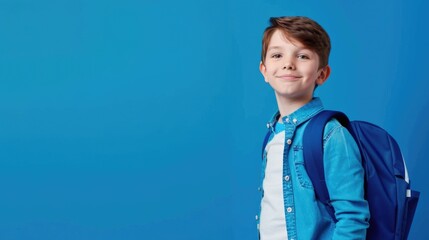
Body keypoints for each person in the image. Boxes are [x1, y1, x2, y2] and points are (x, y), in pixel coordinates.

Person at [257, 16, 370, 240]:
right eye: (277, 55)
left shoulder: (331, 134)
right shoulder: (273, 135)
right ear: (264, 70)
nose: (288, 63)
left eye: (303, 56)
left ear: (322, 74)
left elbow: (353, 218)